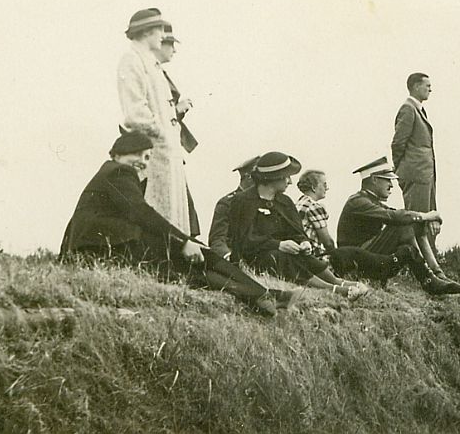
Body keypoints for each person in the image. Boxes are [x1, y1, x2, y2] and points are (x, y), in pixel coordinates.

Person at [59, 132, 295, 316]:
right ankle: (262, 295)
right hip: (103, 246)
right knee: (187, 261)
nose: (143, 162)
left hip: (106, 243)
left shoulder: (113, 171)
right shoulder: (118, 171)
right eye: (137, 154)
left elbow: (137, 215)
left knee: (195, 257)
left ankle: (262, 295)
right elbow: (141, 213)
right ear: (119, 153)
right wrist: (182, 241)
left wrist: (185, 241)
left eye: (147, 157)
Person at [228, 151, 368, 299]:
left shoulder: (285, 202)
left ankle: (336, 281)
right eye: (286, 177)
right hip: (258, 257)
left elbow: (296, 232)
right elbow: (242, 240)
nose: (290, 182)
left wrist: (304, 242)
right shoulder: (242, 201)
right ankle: (332, 289)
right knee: (282, 256)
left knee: (301, 254)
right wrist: (278, 245)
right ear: (273, 177)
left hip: (284, 253)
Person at [336, 157, 460, 295]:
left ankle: (438, 275)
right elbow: (395, 217)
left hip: (367, 259)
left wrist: (422, 219)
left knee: (411, 223)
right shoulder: (358, 201)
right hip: (354, 262)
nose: (391, 185)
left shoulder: (370, 201)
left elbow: (398, 215)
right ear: (374, 179)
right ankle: (431, 281)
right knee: (403, 225)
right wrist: (427, 216)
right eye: (387, 180)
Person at [116, 8, 190, 233]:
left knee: (172, 214)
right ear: (147, 32)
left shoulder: (151, 64)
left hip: (165, 151)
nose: (162, 36)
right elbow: (135, 112)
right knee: (154, 214)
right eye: (159, 30)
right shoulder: (131, 60)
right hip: (150, 151)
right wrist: (161, 134)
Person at [390, 73, 444, 275]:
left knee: (426, 222)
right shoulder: (408, 109)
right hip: (416, 174)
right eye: (427, 85)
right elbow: (398, 143)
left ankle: (431, 268)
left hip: (424, 173)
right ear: (415, 87)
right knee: (418, 223)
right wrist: (402, 170)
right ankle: (423, 271)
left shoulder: (418, 109)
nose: (430, 89)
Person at [153, 24, 200, 236]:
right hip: (158, 149)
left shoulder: (159, 73)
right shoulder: (152, 74)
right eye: (170, 44)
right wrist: (176, 109)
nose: (174, 49)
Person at [208, 156, 260, 263]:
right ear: (249, 177)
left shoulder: (266, 202)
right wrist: (230, 258)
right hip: (237, 261)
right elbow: (217, 240)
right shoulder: (227, 203)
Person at [295, 170, 334, 257]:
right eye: (324, 185)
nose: (327, 188)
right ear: (313, 187)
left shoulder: (300, 202)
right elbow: (327, 242)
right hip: (313, 256)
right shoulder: (313, 206)